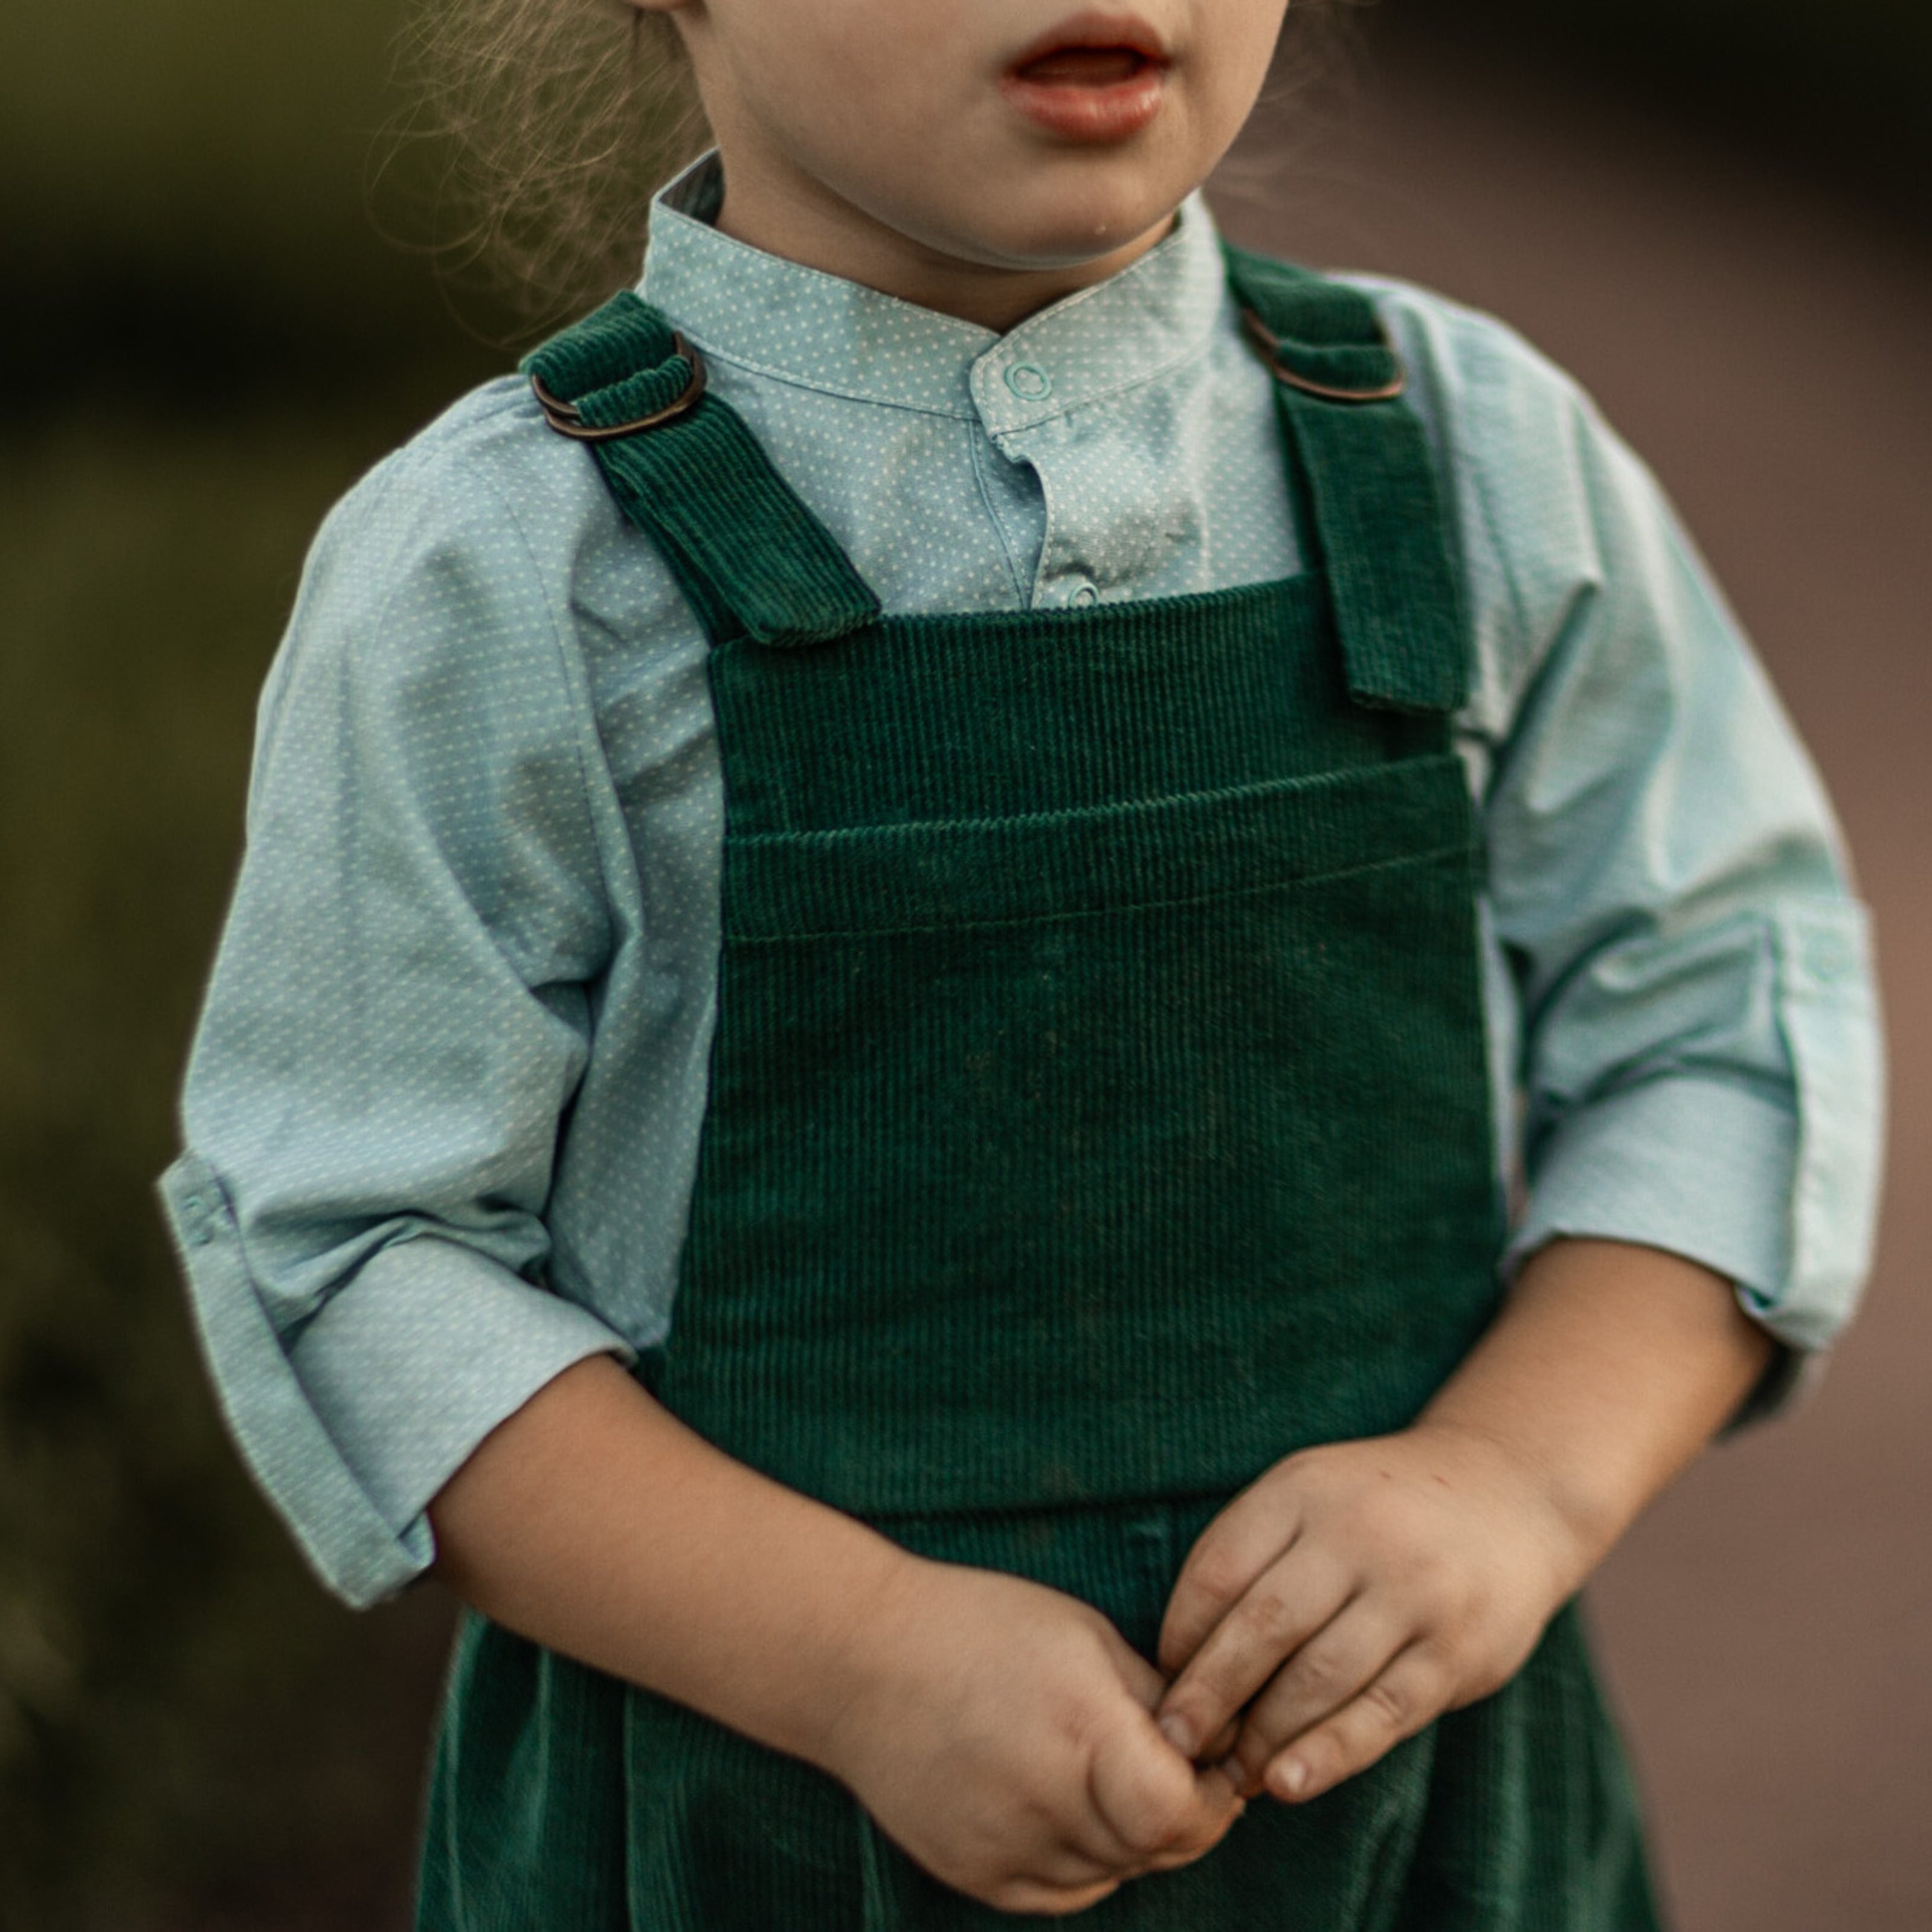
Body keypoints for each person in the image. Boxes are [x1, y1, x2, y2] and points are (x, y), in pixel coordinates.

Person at [159, 1, 1883, 1924]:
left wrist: (1515, 1482)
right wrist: (856, 1656)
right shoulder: (511, 571)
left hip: (1423, 1841)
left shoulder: (1469, 463)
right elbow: (363, 1243)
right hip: (752, 1838)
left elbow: (1726, 1009)